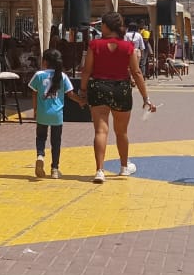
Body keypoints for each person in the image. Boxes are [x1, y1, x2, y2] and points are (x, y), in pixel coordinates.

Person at [79, 10, 155, 184]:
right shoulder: (128, 47)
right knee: (121, 132)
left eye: (102, 25)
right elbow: (136, 72)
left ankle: (100, 170)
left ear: (107, 26)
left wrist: (83, 91)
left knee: (100, 131)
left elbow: (87, 70)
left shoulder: (94, 45)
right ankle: (123, 167)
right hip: (122, 89)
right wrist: (146, 97)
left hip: (99, 87)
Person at [29, 49, 80, 179]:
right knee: (56, 142)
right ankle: (55, 169)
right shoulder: (62, 76)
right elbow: (71, 94)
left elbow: (34, 93)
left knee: (41, 137)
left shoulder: (39, 75)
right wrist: (82, 101)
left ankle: (40, 155)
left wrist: (35, 110)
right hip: (57, 114)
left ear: (45, 62)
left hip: (42, 113)